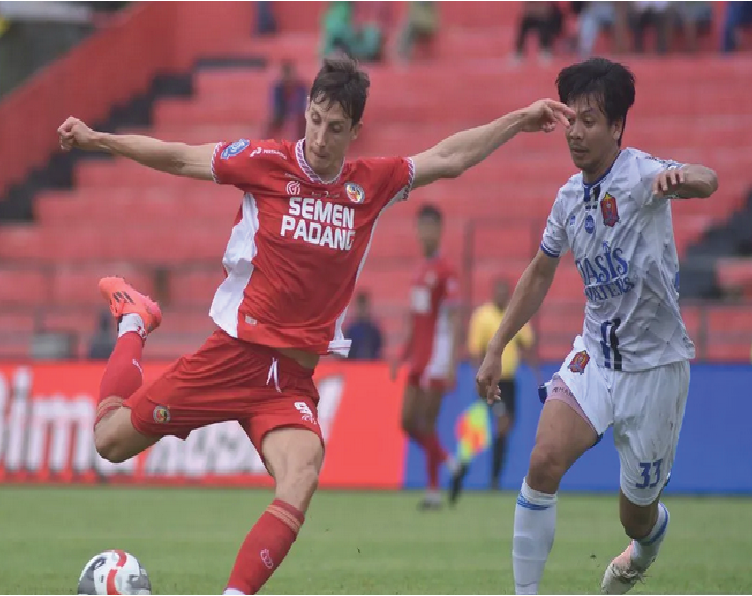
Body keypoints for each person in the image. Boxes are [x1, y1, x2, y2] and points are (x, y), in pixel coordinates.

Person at [57, 57, 572, 596]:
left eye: (336, 127)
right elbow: (183, 157)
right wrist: (101, 140)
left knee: (301, 476)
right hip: (232, 355)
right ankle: (135, 322)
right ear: (304, 112)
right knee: (109, 441)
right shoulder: (264, 162)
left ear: (355, 131)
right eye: (316, 120)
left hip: (289, 382)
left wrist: (518, 119)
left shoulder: (369, 185)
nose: (321, 137)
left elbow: (448, 157)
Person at [474, 57, 718, 595]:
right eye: (572, 120)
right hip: (596, 358)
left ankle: (647, 542)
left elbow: (708, 179)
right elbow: (540, 272)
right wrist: (496, 346)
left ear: (616, 128)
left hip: (656, 369)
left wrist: (684, 178)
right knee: (542, 461)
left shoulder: (640, 174)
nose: (577, 133)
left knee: (635, 517)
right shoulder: (567, 199)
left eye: (590, 121)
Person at [390, 204, 461, 510]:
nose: (425, 233)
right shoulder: (420, 270)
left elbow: (455, 316)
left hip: (436, 356)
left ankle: (433, 491)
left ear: (439, 230)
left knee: (427, 422)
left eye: (430, 227)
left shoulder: (446, 270)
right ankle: (451, 462)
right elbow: (414, 317)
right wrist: (401, 354)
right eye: (421, 227)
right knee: (406, 422)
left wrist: (452, 362)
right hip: (417, 356)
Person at [450, 276, 535, 501]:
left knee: (498, 429)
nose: (501, 296)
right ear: (493, 293)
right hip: (490, 381)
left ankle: (474, 474)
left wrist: (537, 373)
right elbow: (476, 350)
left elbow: (527, 343)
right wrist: (478, 376)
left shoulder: (514, 315)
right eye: (498, 291)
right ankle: (471, 474)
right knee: (497, 423)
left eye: (504, 292)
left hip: (510, 382)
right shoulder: (482, 316)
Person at [268, 60, 307, 142]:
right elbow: (276, 106)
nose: (288, 77)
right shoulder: (278, 87)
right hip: (282, 112)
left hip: (298, 113)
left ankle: (302, 142)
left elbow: (302, 104)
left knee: (301, 120)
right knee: (270, 123)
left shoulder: (301, 86)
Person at [345, 291, 383, 360]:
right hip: (353, 366)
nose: (362, 310)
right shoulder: (351, 330)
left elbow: (378, 350)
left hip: (371, 366)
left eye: (364, 307)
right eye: (360, 307)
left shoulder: (374, 330)